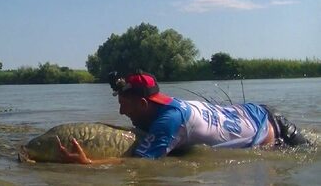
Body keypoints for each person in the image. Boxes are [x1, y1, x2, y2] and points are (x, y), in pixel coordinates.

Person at [58, 71, 308, 164]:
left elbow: (141, 164)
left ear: (144, 103)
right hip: (255, 112)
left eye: (125, 106)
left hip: (273, 128)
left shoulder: (169, 121)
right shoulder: (166, 106)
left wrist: (87, 163)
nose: (121, 112)